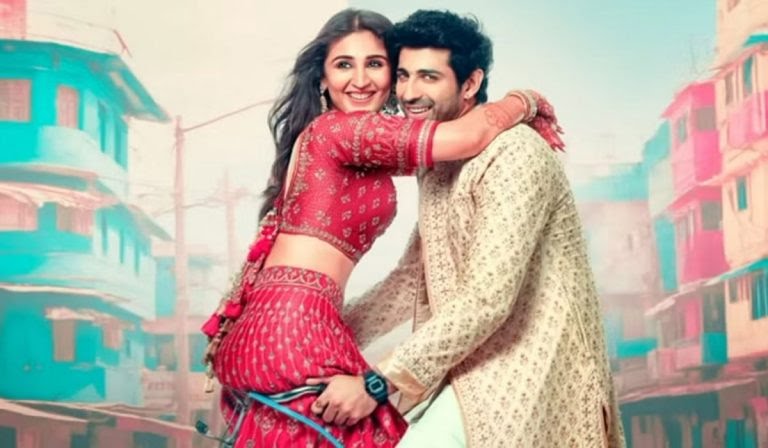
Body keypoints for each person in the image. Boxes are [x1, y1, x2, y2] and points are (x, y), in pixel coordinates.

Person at [199, 8, 562, 448]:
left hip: (276, 324)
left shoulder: (349, 142)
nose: (360, 80)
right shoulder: (340, 130)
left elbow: (449, 158)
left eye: (375, 64)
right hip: (293, 325)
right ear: (322, 79)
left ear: (392, 75)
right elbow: (466, 138)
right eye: (343, 65)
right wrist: (526, 102)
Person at [311, 10, 625, 447]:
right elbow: (411, 279)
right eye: (402, 76)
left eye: (428, 77)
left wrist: (376, 383)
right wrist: (323, 337)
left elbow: (486, 298)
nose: (409, 93)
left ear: (470, 83)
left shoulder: (515, 154)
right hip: (469, 368)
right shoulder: (440, 161)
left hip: (532, 369)